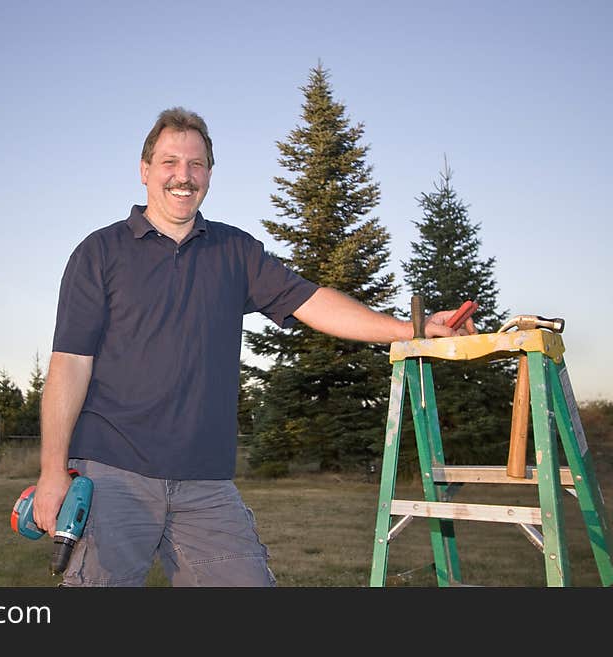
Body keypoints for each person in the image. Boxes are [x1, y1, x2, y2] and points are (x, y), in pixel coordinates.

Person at [33, 106, 475, 587]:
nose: (184, 176)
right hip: (114, 472)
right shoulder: (100, 253)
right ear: (144, 171)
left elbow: (312, 300)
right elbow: (70, 366)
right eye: (170, 162)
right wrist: (53, 472)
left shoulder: (234, 251)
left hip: (205, 480)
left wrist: (411, 329)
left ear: (209, 175)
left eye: (196, 165)